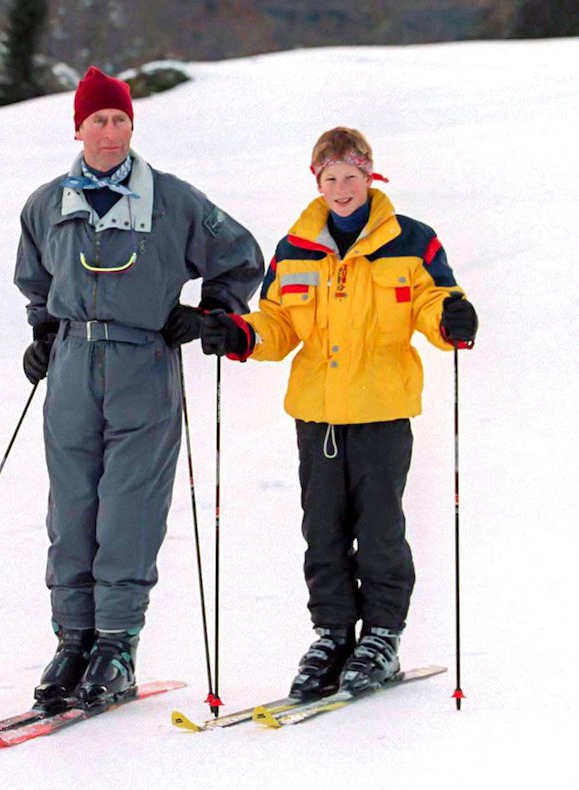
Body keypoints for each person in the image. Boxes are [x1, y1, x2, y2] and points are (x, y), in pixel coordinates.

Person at [14, 67, 264, 711]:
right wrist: (44, 332)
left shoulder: (173, 200)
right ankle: (73, 640)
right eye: (98, 120)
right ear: (78, 126)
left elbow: (240, 255)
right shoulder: (47, 204)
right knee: (71, 509)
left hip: (142, 363)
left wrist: (209, 314)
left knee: (128, 507)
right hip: (72, 366)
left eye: (120, 120)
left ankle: (116, 646)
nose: (110, 131)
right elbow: (34, 277)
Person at [200, 127, 478, 699]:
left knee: (379, 528)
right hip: (317, 414)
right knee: (321, 529)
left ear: (370, 176)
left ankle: (380, 636)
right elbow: (277, 322)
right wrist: (240, 333)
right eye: (331, 179)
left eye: (352, 177)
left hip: (381, 411)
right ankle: (331, 633)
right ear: (318, 181)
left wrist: (452, 318)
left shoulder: (412, 241)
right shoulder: (295, 247)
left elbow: (433, 301)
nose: (342, 188)